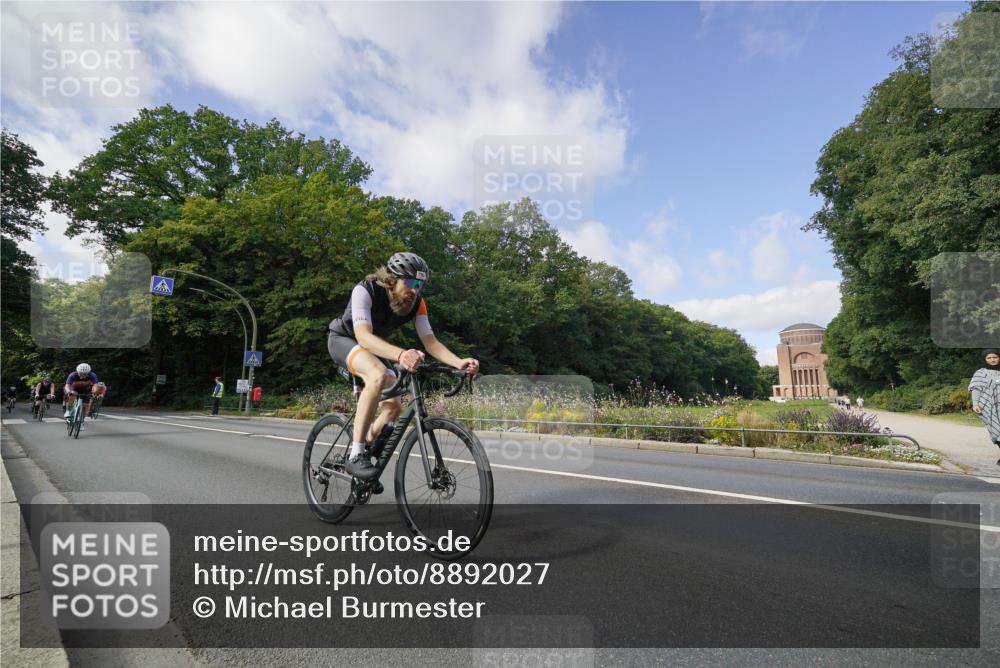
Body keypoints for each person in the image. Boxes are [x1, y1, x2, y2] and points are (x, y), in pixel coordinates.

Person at [328, 252, 479, 480]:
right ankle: (356, 455)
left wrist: (459, 362)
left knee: (393, 407)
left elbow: (431, 342)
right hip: (345, 339)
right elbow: (364, 337)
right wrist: (401, 355)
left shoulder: (417, 303)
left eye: (420, 284)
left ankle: (366, 446)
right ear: (392, 278)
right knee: (378, 375)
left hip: (376, 348)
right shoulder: (365, 290)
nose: (415, 289)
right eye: (410, 282)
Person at [970, 348, 1000, 464]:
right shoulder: (981, 373)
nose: (992, 360)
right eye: (989, 358)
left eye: (995, 357)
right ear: (985, 359)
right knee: (995, 431)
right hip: (988, 406)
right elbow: (976, 389)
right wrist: (975, 403)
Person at [63, 363, 99, 430]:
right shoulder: (73, 375)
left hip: (86, 390)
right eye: (80, 373)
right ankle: (68, 410)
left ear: (88, 373)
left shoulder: (92, 375)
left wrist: (94, 392)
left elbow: (95, 385)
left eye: (85, 373)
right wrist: (69, 391)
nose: (82, 375)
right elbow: (67, 385)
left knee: (85, 406)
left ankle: (81, 422)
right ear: (77, 371)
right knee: (72, 396)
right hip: (74, 389)